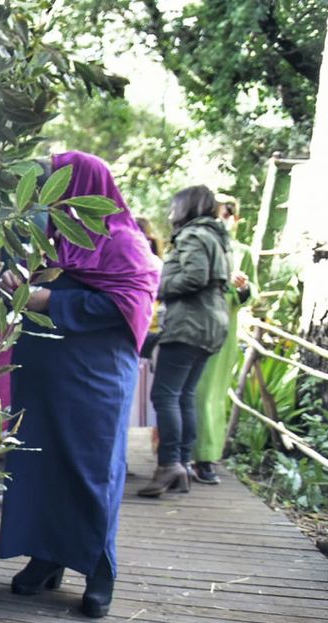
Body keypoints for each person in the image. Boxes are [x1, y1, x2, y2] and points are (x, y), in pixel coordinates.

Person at [0, 152, 159, 618]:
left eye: (58, 186)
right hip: (43, 373)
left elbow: (128, 306)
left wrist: (51, 301)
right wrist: (12, 281)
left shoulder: (124, 242)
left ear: (86, 188)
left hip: (95, 377)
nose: (49, 196)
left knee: (92, 471)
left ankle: (98, 569)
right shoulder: (45, 236)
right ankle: (45, 558)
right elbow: (16, 282)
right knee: (39, 465)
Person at [138, 185, 232, 498]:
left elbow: (195, 276)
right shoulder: (217, 236)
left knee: (165, 395)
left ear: (187, 207)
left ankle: (169, 464)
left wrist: (158, 288)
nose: (170, 212)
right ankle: (182, 463)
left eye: (174, 206)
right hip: (212, 323)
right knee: (184, 395)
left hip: (189, 324)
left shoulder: (193, 235)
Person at [189, 194, 251, 485]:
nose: (220, 221)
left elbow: (251, 296)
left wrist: (242, 286)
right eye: (215, 214)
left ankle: (206, 457)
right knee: (188, 392)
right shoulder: (194, 241)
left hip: (223, 328)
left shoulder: (242, 252)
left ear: (235, 220)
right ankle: (180, 453)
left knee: (210, 394)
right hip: (191, 324)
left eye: (226, 215)